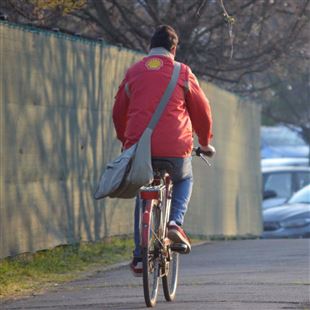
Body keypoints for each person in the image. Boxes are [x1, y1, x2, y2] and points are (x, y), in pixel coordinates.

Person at [112, 25, 215, 276]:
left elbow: (119, 111)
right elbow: (202, 111)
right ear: (174, 48)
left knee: (142, 189)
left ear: (150, 46)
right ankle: (174, 223)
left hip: (139, 147)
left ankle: (139, 255)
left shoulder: (134, 72)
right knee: (184, 178)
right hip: (176, 147)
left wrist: (125, 140)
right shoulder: (183, 72)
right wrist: (204, 142)